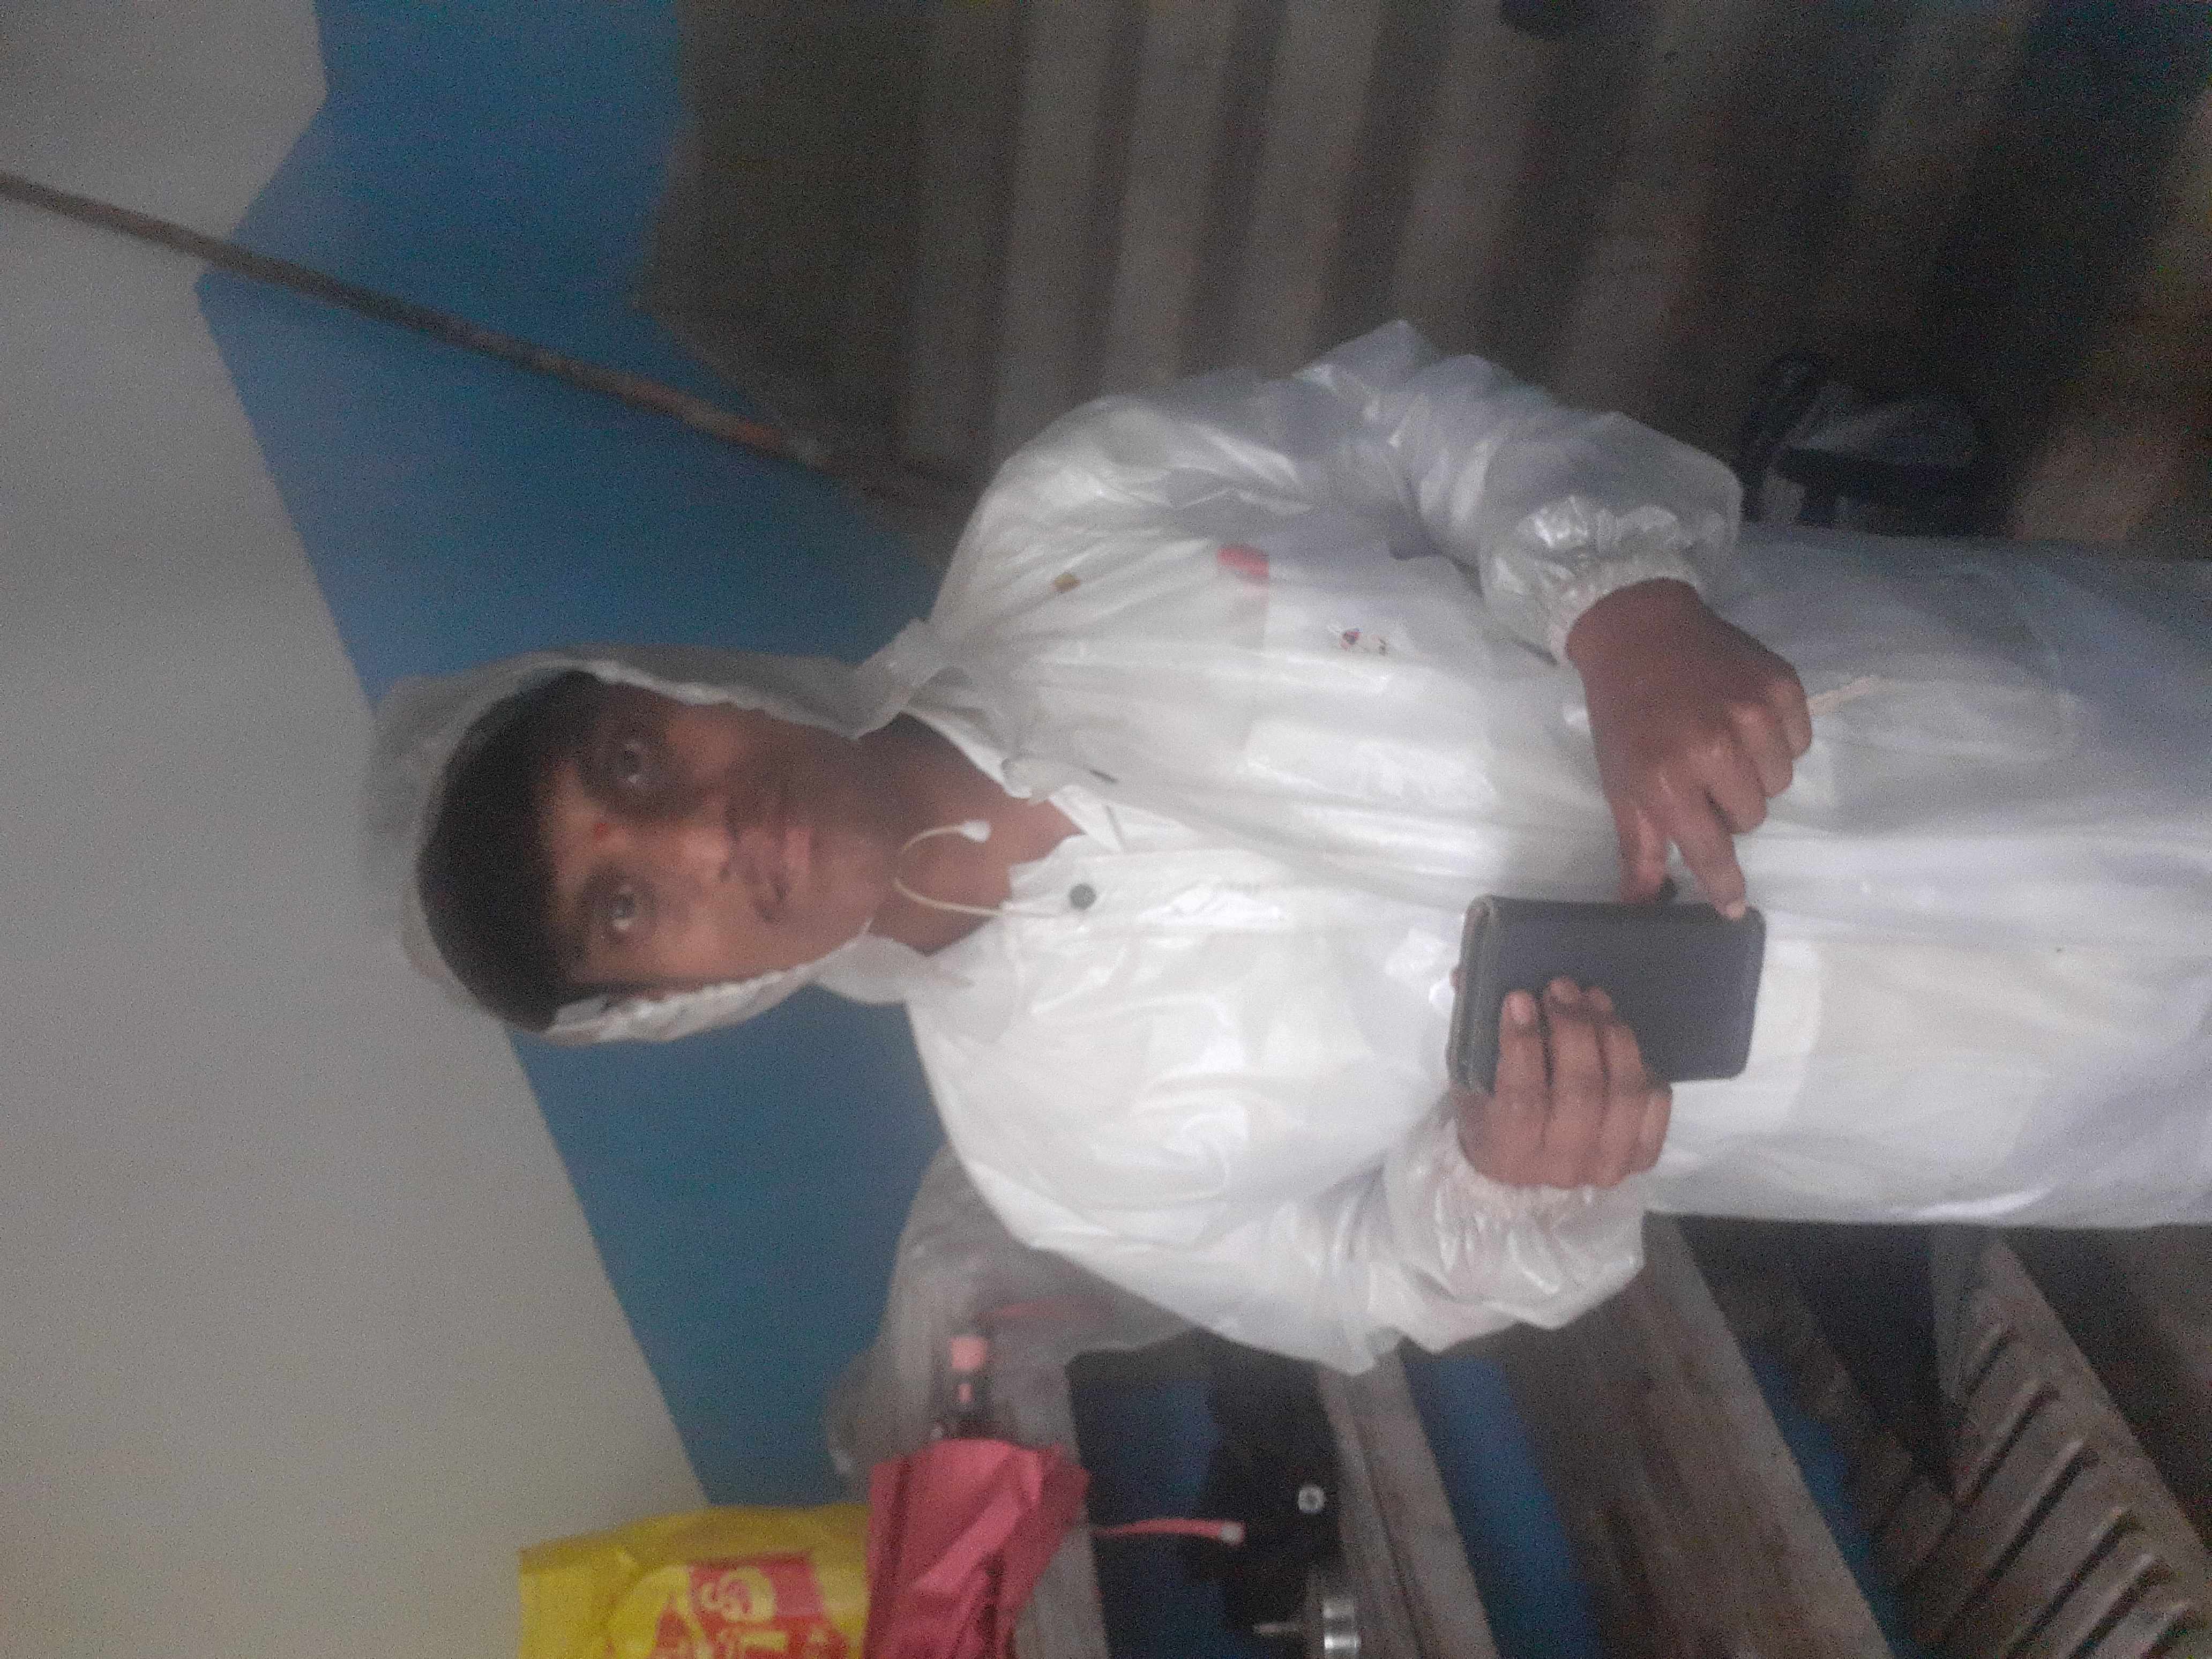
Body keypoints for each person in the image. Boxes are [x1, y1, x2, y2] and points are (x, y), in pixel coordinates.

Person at [368, 323, 2212, 1373]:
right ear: (669, 1004)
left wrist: (1622, 608)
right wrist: (1510, 1185)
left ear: (670, 682)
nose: (700, 832)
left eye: (633, 757)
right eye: (630, 907)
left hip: (1998, 715)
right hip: (1963, 1077)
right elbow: (1383, 1285)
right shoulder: (1061, 1159)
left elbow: (1412, 427)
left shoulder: (1077, 518)